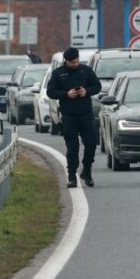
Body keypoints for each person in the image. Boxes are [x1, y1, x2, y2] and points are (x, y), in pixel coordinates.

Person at [46, 47, 102, 188]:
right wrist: (66, 94)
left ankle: (87, 171)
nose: (75, 64)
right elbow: (51, 92)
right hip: (69, 116)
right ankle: (72, 176)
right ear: (66, 61)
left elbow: (97, 86)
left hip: (86, 114)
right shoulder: (58, 74)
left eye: (77, 61)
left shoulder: (86, 70)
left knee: (91, 143)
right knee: (72, 148)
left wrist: (86, 91)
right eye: (72, 63)